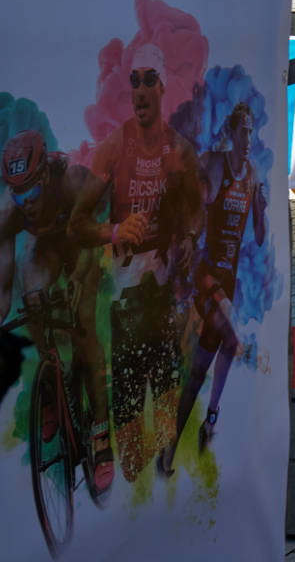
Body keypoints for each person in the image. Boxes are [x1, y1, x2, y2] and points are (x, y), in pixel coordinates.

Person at [72, 42, 202, 483]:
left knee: (167, 436)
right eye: (134, 81)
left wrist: (187, 237)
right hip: (126, 299)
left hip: (163, 296)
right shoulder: (113, 149)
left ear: (163, 86)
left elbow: (195, 208)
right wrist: (113, 232)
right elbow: (76, 223)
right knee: (132, 461)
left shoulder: (178, 150)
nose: (141, 89)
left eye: (149, 79)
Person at [157, 102, 268, 476]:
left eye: (252, 131)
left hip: (230, 279)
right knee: (234, 341)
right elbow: (186, 191)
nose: (249, 139)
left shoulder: (251, 174)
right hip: (206, 272)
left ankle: (169, 448)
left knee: (198, 371)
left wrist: (263, 209)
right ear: (231, 132)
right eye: (243, 131)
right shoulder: (214, 163)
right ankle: (213, 418)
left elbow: (259, 235)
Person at [2, 128, 113, 495]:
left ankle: (100, 431)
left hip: (81, 237)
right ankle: (50, 389)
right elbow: (5, 290)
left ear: (46, 175)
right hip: (47, 244)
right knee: (31, 296)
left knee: (83, 327)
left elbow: (93, 234)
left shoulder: (73, 181)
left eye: (31, 190)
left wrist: (81, 276)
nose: (26, 201)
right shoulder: (10, 212)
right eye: (18, 194)